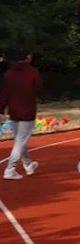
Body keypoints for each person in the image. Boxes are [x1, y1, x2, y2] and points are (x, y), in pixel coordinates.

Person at [1, 50, 43, 180]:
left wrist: (1, 110)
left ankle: (28, 165)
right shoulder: (33, 72)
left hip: (14, 111)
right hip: (28, 110)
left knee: (20, 140)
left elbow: (4, 93)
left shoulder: (9, 73)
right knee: (20, 141)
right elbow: (39, 89)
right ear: (27, 57)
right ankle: (10, 169)